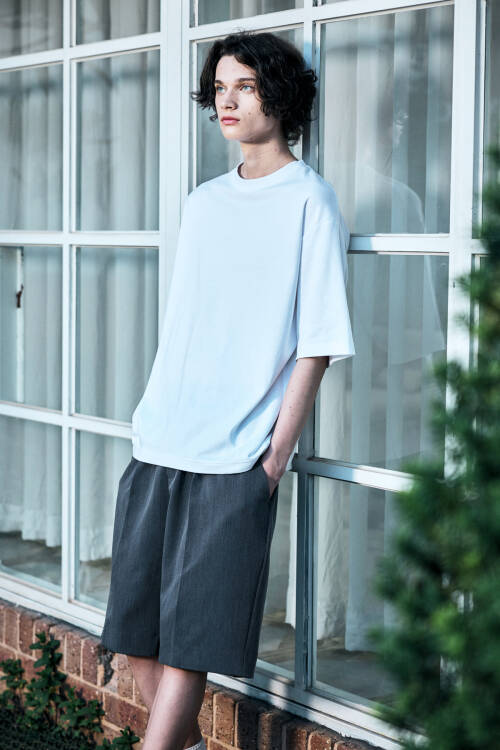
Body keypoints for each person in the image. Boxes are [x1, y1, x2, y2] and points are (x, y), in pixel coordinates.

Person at [100, 29, 355, 750]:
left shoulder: (310, 201)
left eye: (245, 86)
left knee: (192, 640)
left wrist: (273, 460)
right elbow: (188, 321)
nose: (228, 102)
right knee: (134, 629)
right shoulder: (205, 202)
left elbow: (317, 344)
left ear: (282, 94)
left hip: (237, 454)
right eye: (219, 89)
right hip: (162, 435)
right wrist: (151, 413)